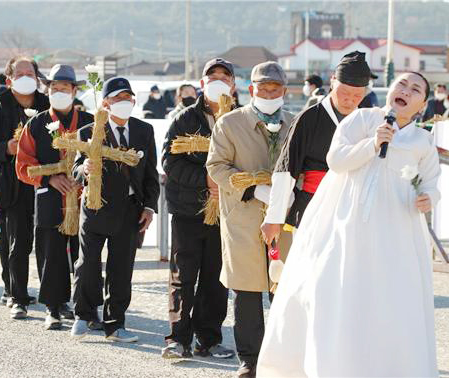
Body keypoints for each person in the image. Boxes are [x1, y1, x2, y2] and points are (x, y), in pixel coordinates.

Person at [257, 72, 439, 377]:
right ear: (390, 90)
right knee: (337, 286)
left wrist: (427, 197)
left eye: (415, 89)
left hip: (396, 227)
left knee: (389, 295)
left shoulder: (422, 140)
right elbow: (336, 160)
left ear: (421, 105)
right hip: (346, 219)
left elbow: (427, 180)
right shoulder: (362, 120)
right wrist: (373, 144)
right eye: (402, 84)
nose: (406, 90)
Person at [206, 61, 296, 378]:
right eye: (264, 88)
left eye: (276, 89)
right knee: (246, 290)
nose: (270, 93)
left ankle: (284, 356)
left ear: (285, 91)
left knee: (283, 288)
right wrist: (253, 188)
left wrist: (290, 195)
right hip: (243, 217)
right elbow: (216, 167)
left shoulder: (295, 124)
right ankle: (250, 360)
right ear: (251, 89)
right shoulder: (230, 124)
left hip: (284, 220)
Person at [70, 77, 159, 341]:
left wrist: (150, 207)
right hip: (96, 205)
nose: (124, 103)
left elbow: (150, 172)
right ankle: (83, 315)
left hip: (130, 209)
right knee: (87, 264)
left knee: (121, 268)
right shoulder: (89, 131)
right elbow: (75, 168)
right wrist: (83, 169)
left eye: (128, 98)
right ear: (106, 103)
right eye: (118, 98)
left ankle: (115, 323)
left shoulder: (143, 130)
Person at [161, 58, 236, 360]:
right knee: (184, 274)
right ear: (202, 83)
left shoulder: (240, 119)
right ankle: (178, 338)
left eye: (224, 76)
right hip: (188, 210)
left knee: (216, 278)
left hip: (226, 213)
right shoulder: (184, 119)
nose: (218, 80)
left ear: (233, 84)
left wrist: (227, 182)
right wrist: (205, 180)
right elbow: (170, 162)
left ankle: (209, 338)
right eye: (212, 76)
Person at [15, 64, 94, 329]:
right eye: (54, 88)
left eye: (64, 88)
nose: (59, 92)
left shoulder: (89, 122)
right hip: (50, 195)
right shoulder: (36, 124)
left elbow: (101, 158)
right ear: (47, 91)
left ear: (74, 91)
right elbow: (23, 165)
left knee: (86, 254)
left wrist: (81, 176)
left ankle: (84, 306)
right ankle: (53, 307)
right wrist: (50, 178)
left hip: (82, 196)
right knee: (51, 253)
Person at [262, 51, 370, 236]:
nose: (350, 100)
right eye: (344, 92)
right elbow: (286, 169)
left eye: (357, 95)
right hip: (312, 204)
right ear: (333, 81)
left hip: (354, 206)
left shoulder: (367, 120)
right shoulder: (309, 118)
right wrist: (274, 217)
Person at [0, 56, 50, 319]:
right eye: (20, 74)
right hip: (10, 183)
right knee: (15, 241)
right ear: (9, 80)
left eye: (31, 73)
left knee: (47, 241)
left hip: (44, 182)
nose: (26, 77)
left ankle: (53, 296)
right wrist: (6, 147)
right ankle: (16, 294)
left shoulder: (47, 105)